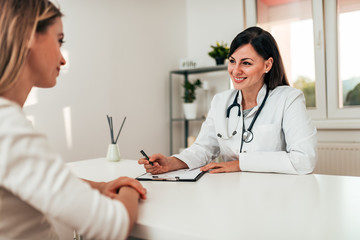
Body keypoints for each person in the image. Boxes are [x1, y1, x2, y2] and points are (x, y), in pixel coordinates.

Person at [0, 0, 146, 239]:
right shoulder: (8, 127)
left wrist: (98, 186)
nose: (63, 58)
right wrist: (130, 187)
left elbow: (34, 176)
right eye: (59, 41)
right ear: (27, 34)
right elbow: (112, 225)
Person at [139, 26, 317, 175]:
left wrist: (240, 164)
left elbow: (304, 159)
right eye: (232, 61)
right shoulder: (220, 102)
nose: (235, 70)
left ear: (267, 65)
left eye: (246, 63)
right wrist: (171, 162)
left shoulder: (289, 99)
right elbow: (203, 148)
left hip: (275, 195)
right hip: (232, 190)